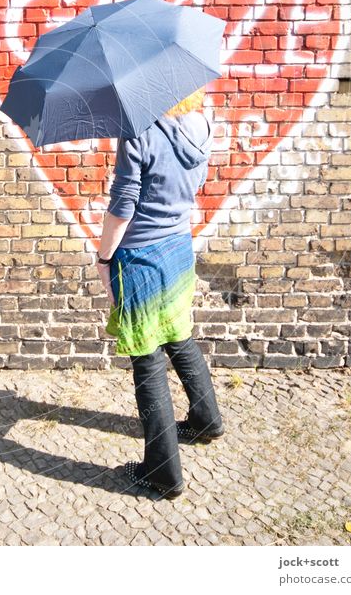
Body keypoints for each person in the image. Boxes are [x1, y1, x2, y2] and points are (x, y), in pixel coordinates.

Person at [95, 87, 224, 499]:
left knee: (147, 360)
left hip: (142, 257)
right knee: (179, 335)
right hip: (179, 248)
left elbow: (123, 206)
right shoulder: (202, 126)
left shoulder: (139, 132)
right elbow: (196, 183)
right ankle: (206, 421)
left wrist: (102, 258)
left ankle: (163, 474)